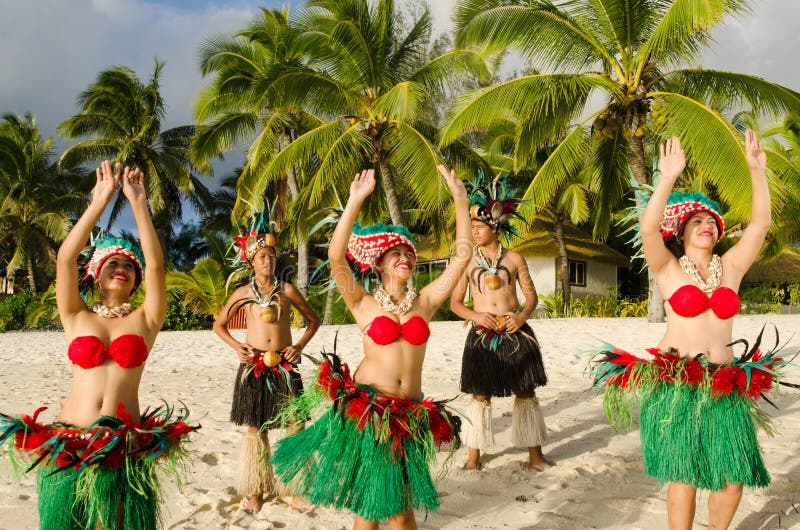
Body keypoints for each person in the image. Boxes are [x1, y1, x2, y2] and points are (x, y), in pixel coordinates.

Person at [590, 131, 787, 530]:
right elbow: (648, 231)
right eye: (695, 222)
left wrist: (756, 172)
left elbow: (760, 224)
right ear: (681, 233)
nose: (706, 227)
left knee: (731, 480)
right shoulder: (669, 269)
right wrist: (666, 178)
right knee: (685, 477)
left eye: (711, 222)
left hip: (725, 383)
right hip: (678, 383)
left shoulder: (730, 267)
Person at [270, 166, 471, 530]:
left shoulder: (425, 302)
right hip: (370, 412)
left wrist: (460, 199)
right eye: (394, 253)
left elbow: (461, 257)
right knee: (386, 507)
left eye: (407, 252)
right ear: (378, 264)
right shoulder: (362, 303)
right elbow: (335, 257)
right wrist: (355, 200)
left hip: (406, 415)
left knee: (384, 506)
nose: (404, 257)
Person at [0, 161, 197, 529]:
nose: (121, 266)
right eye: (112, 262)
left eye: (128, 264)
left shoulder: (145, 320)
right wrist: (100, 200)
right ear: (96, 274)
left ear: (136, 278)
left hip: (122, 446)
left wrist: (138, 203)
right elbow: (65, 258)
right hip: (71, 440)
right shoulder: (76, 316)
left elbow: (157, 267)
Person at [213, 218, 320, 513]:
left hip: (285, 364)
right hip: (255, 365)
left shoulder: (286, 290)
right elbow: (219, 325)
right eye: (262, 256)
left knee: (295, 425)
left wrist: (298, 346)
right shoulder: (243, 294)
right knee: (255, 427)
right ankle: (257, 490)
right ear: (251, 261)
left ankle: (294, 486)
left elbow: (313, 320)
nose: (268, 260)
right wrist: (238, 347)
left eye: (272, 256)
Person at [450, 174, 550, 471]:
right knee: (480, 395)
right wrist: (476, 316)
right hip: (482, 334)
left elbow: (531, 298)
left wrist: (520, 316)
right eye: (472, 227)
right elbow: (455, 303)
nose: (474, 232)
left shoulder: (515, 258)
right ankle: (473, 457)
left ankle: (535, 456)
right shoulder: (467, 262)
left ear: (495, 226)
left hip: (515, 331)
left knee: (526, 391)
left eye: (479, 226)